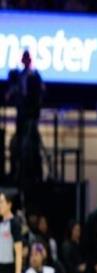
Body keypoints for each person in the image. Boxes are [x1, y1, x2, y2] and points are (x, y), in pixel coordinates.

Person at [5, 50, 44, 187]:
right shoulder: (20, 75)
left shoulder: (35, 75)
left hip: (31, 115)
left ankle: (36, 174)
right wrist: (10, 94)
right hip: (21, 114)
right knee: (18, 142)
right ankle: (17, 172)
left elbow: (40, 93)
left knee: (32, 144)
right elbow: (14, 89)